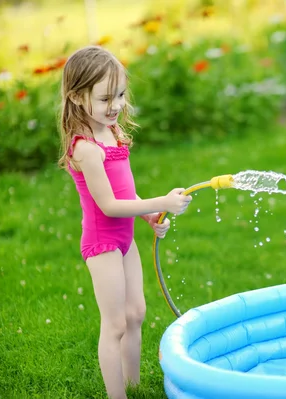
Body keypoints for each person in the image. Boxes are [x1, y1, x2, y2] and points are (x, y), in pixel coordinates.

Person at [57, 45, 192, 399]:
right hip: (103, 244)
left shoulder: (112, 133)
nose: (115, 105)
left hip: (125, 240)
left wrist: (147, 214)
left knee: (136, 313)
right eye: (105, 98)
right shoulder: (85, 147)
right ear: (76, 96)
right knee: (115, 323)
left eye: (119, 94)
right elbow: (109, 205)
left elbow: (125, 193)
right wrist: (162, 201)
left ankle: (134, 386)